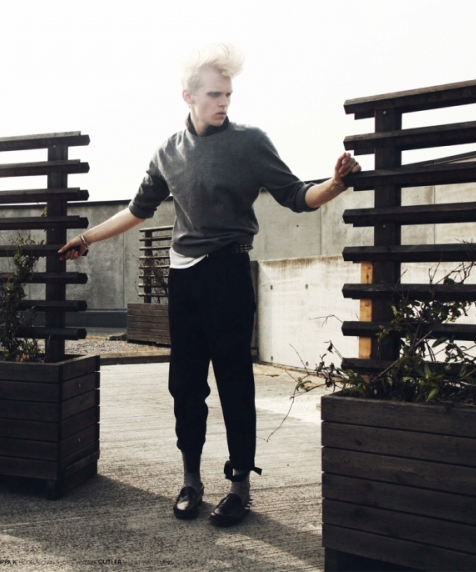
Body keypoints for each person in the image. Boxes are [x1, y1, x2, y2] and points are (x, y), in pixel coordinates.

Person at [59, 42, 360, 526]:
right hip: (184, 279)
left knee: (234, 380)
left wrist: (336, 184)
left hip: (229, 272)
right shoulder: (168, 152)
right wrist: (86, 238)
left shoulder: (249, 142)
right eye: (215, 94)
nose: (224, 102)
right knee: (185, 385)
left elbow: (295, 196)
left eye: (228, 94)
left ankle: (239, 485)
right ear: (189, 97)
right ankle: (191, 481)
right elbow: (138, 210)